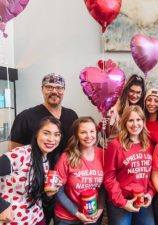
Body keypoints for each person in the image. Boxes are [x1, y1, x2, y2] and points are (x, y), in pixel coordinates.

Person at [8, 73, 78, 224]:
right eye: (49, 87)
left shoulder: (72, 116)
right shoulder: (26, 117)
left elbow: (76, 148)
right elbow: (13, 155)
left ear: (64, 91)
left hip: (65, 184)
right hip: (34, 188)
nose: (54, 91)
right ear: (42, 89)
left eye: (59, 88)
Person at [0, 116, 62, 225]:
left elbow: (37, 195)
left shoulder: (46, 160)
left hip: (37, 218)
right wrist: (1, 206)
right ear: (37, 134)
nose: (52, 139)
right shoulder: (20, 155)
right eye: (46, 133)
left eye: (56, 135)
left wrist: (49, 194)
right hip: (13, 220)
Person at [104, 105, 155, 225]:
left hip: (142, 198)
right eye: (131, 120)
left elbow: (153, 174)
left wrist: (150, 194)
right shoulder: (115, 145)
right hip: (121, 199)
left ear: (143, 122)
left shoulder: (148, 145)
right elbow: (109, 178)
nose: (135, 124)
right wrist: (122, 202)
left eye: (138, 120)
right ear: (124, 123)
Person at [54, 117, 103, 225]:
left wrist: (100, 209)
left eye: (92, 131)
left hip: (92, 215)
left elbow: (103, 187)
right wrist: (77, 213)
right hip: (67, 218)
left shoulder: (103, 154)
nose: (89, 136)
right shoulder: (66, 157)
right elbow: (58, 191)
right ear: (76, 135)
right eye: (83, 132)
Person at [106, 74, 146, 139]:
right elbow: (106, 134)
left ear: (142, 94)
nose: (134, 95)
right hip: (112, 144)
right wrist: (109, 120)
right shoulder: (117, 104)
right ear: (126, 90)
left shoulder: (142, 108)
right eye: (131, 91)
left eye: (138, 92)